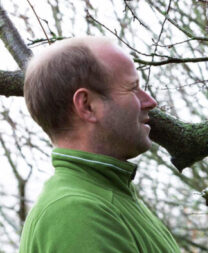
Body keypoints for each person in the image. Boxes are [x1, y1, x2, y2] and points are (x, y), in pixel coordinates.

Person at [19, 36, 180, 253]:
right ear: (87, 105)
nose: (150, 102)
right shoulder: (76, 212)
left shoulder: (109, 196)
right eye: (132, 89)